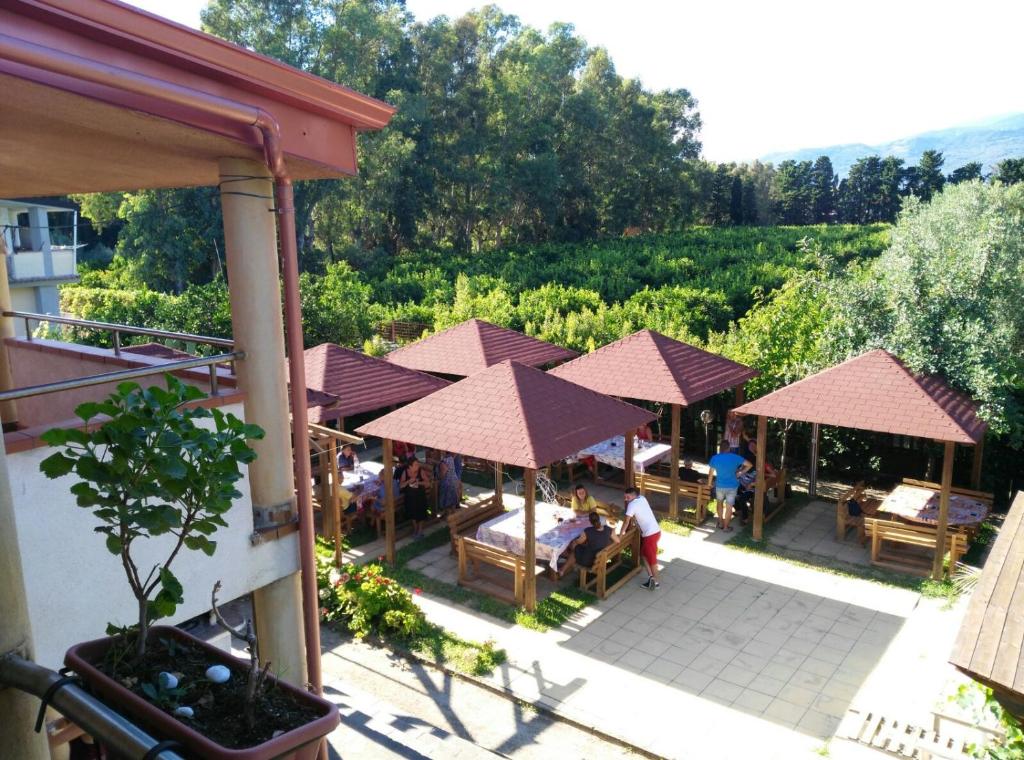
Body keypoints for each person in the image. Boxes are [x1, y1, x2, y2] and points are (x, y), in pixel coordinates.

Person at [622, 487, 661, 590]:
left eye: (627, 497)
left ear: (634, 495)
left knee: (652, 559)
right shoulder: (642, 498)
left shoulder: (632, 504)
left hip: (649, 535)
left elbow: (626, 521)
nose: (626, 499)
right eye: (625, 497)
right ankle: (651, 578)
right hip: (655, 532)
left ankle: (656, 582)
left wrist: (621, 534)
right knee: (643, 555)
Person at [709, 439, 752, 531]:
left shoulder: (715, 458)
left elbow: (711, 472)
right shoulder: (735, 457)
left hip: (719, 485)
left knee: (719, 503)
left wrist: (709, 484)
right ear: (729, 448)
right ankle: (726, 527)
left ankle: (720, 522)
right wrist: (740, 472)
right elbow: (749, 465)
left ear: (720, 448)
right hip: (732, 486)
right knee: (729, 507)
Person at [562, 510, 617, 576]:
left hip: (590, 562)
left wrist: (575, 540)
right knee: (578, 549)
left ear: (590, 522)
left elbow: (579, 542)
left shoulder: (588, 531)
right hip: (601, 557)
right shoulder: (608, 529)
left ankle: (563, 568)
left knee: (575, 548)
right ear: (599, 519)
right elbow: (618, 541)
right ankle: (563, 567)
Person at [400, 458, 431, 538]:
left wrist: (419, 482)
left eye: (418, 464)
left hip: (420, 496)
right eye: (416, 464)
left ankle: (420, 531)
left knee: (420, 512)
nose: (418, 466)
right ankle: (415, 529)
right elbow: (401, 486)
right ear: (410, 466)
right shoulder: (405, 472)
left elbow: (428, 483)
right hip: (410, 497)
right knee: (412, 513)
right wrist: (408, 482)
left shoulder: (421, 471)